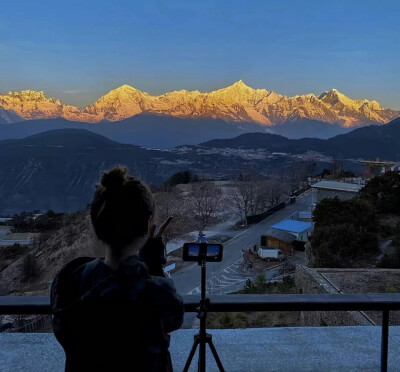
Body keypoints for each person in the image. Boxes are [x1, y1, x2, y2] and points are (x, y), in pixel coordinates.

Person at [51, 166, 184, 372]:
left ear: (97, 223)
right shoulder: (158, 293)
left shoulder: (69, 283)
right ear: (147, 226)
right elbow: (172, 320)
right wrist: (152, 260)